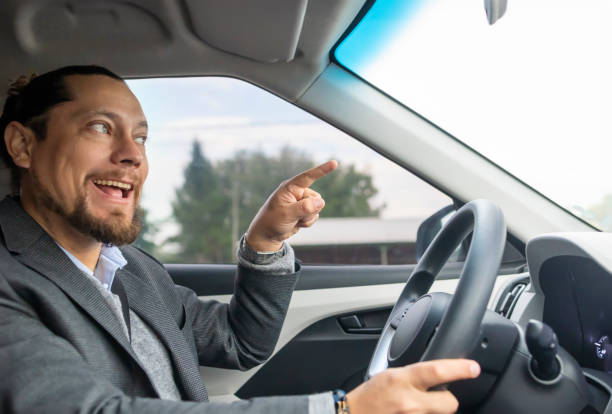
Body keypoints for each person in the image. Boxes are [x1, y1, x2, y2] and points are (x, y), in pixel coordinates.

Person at [0, 65, 480, 414]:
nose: (131, 155)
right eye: (100, 128)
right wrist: (338, 411)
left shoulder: (131, 269)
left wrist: (266, 242)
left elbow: (239, 342)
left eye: (142, 138)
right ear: (23, 145)